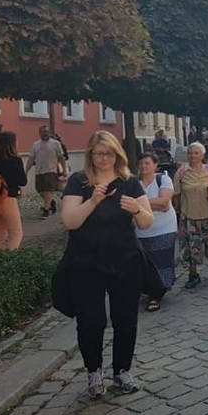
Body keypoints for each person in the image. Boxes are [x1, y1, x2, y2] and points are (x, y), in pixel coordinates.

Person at [60, 131, 154, 398]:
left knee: (126, 317)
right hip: (86, 261)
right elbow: (70, 221)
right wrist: (93, 201)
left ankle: (122, 370)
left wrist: (136, 209)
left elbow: (147, 222)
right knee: (91, 319)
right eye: (99, 153)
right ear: (91, 155)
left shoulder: (130, 182)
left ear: (117, 155)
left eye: (109, 153)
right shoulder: (79, 182)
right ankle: (94, 372)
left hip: (124, 259)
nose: (104, 158)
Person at [173, 142, 208, 289]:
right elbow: (176, 194)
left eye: (196, 153)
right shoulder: (181, 173)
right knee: (191, 247)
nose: (192, 156)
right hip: (189, 216)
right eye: (190, 153)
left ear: (202, 155)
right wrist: (178, 210)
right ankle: (193, 275)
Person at [136, 153, 178, 312]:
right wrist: (154, 204)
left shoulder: (163, 179)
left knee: (160, 260)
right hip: (141, 230)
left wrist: (139, 204)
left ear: (155, 165)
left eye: (147, 163)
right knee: (144, 262)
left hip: (164, 228)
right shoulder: (136, 183)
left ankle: (157, 294)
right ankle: (147, 289)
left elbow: (164, 202)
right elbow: (159, 204)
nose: (143, 167)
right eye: (141, 164)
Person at [0, 131, 26, 250]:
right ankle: (10, 262)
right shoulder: (15, 160)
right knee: (16, 234)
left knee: (0, 235)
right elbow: (23, 181)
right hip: (9, 197)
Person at [25, 125, 66, 219]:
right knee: (40, 190)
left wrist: (64, 170)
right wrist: (26, 170)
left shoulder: (55, 143)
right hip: (39, 171)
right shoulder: (35, 145)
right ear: (40, 133)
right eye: (43, 132)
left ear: (49, 133)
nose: (45, 134)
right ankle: (51, 202)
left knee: (48, 190)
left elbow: (61, 158)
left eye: (46, 132)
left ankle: (46, 210)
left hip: (51, 170)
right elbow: (31, 159)